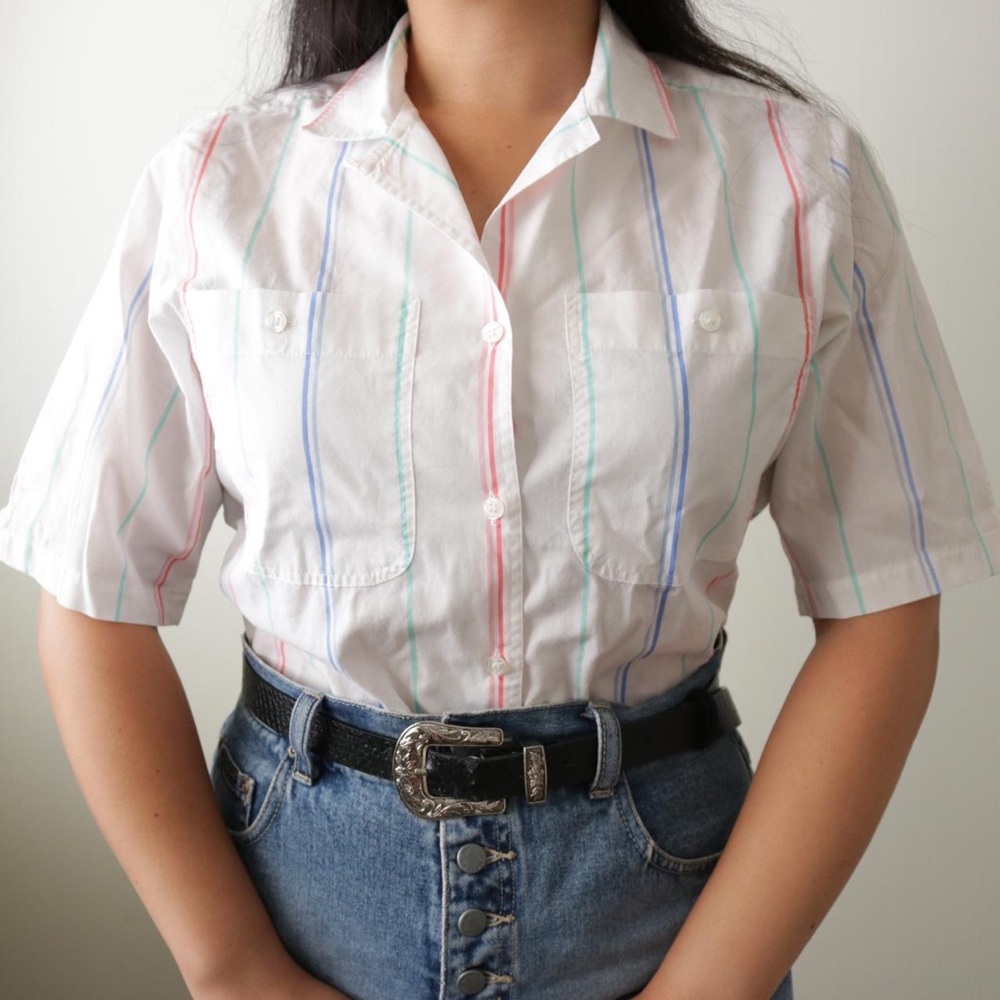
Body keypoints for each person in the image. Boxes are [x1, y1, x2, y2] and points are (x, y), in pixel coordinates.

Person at [2, 0, 998, 997]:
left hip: (669, 904)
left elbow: (886, 597)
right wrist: (233, 966)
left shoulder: (794, 177)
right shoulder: (216, 185)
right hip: (299, 900)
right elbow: (92, 591)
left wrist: (709, 988)